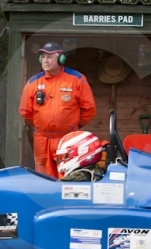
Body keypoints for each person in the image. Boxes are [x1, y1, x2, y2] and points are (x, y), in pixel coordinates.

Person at [19, 42, 97, 178]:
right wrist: (42, 125)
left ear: (61, 59)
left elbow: (89, 109)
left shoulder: (77, 79)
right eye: (43, 57)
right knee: (42, 178)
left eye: (50, 57)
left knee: (67, 177)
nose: (45, 60)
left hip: (67, 139)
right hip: (42, 139)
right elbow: (25, 111)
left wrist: (74, 126)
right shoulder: (33, 82)